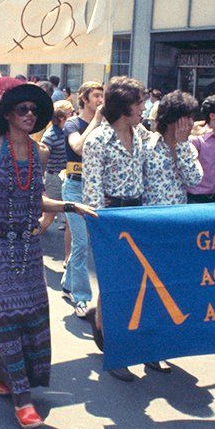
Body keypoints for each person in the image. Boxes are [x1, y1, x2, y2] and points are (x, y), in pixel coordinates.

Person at [0, 84, 96, 429]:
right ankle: (22, 400)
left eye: (33, 111)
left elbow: (37, 198)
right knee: (8, 316)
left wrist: (71, 206)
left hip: (28, 246)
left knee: (32, 316)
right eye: (22, 109)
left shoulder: (40, 153)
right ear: (8, 114)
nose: (29, 115)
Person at [82, 76, 168, 380]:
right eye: (140, 103)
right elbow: (91, 191)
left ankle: (143, 347)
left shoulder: (143, 135)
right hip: (111, 215)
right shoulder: (97, 142)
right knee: (115, 286)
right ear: (125, 107)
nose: (145, 107)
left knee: (144, 284)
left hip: (139, 212)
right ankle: (113, 347)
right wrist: (101, 229)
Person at [61, 81, 104, 318]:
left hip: (96, 188)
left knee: (87, 241)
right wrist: (96, 122)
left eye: (102, 96)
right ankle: (81, 297)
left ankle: (68, 283)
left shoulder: (104, 125)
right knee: (80, 242)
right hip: (75, 187)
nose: (100, 100)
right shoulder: (73, 123)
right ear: (84, 99)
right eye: (96, 95)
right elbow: (78, 147)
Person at [145, 91, 203, 206]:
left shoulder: (188, 148)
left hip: (177, 215)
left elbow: (194, 180)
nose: (191, 123)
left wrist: (181, 146)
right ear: (172, 118)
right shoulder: (148, 146)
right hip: (150, 215)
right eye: (187, 118)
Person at [38, 99, 73, 238]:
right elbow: (41, 158)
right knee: (48, 217)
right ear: (61, 117)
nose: (74, 114)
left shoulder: (68, 132)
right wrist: (42, 184)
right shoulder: (51, 135)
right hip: (53, 178)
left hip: (64, 176)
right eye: (70, 113)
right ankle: (30, 238)